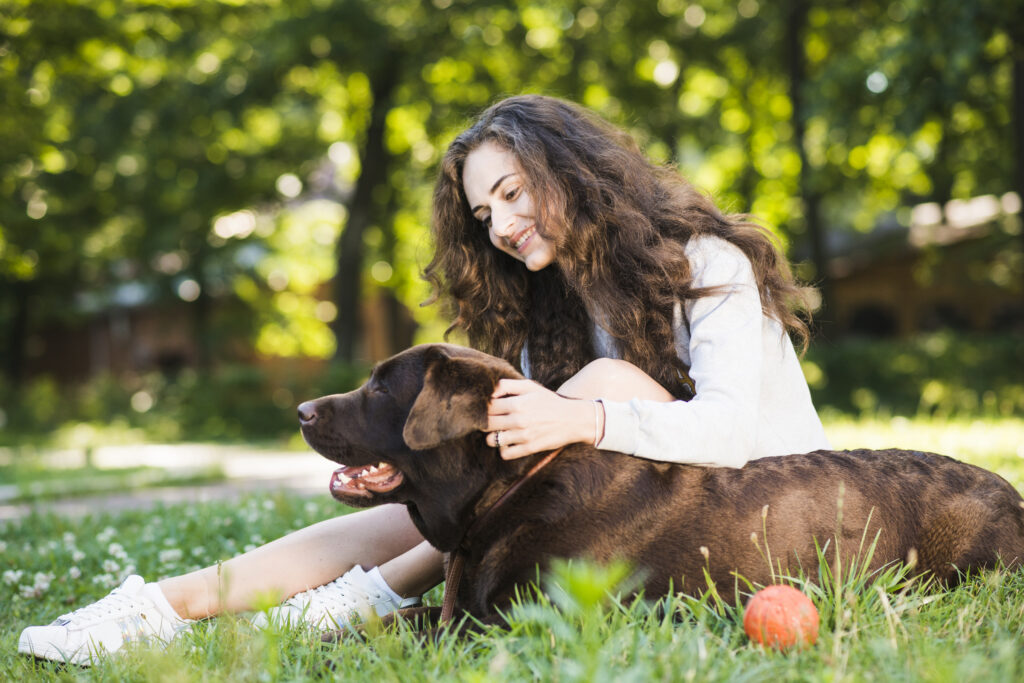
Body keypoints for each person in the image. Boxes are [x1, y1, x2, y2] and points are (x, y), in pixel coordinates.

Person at [18, 94, 829, 664]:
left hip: (759, 508)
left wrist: (581, 419)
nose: (504, 226)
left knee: (577, 397)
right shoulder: (561, 302)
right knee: (440, 479)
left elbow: (728, 433)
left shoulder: (710, 264)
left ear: (576, 174)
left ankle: (364, 595)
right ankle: (166, 603)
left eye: (513, 193)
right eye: (485, 216)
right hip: (626, 509)